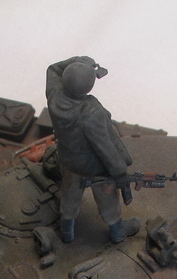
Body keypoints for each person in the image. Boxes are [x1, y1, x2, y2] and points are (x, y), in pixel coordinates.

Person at [45, 56, 139, 243]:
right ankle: (117, 232)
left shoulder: (54, 95)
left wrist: (79, 60)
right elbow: (105, 147)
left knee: (69, 195)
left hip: (69, 161)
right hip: (95, 168)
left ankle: (67, 232)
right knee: (107, 199)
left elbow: (53, 69)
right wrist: (120, 172)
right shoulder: (92, 112)